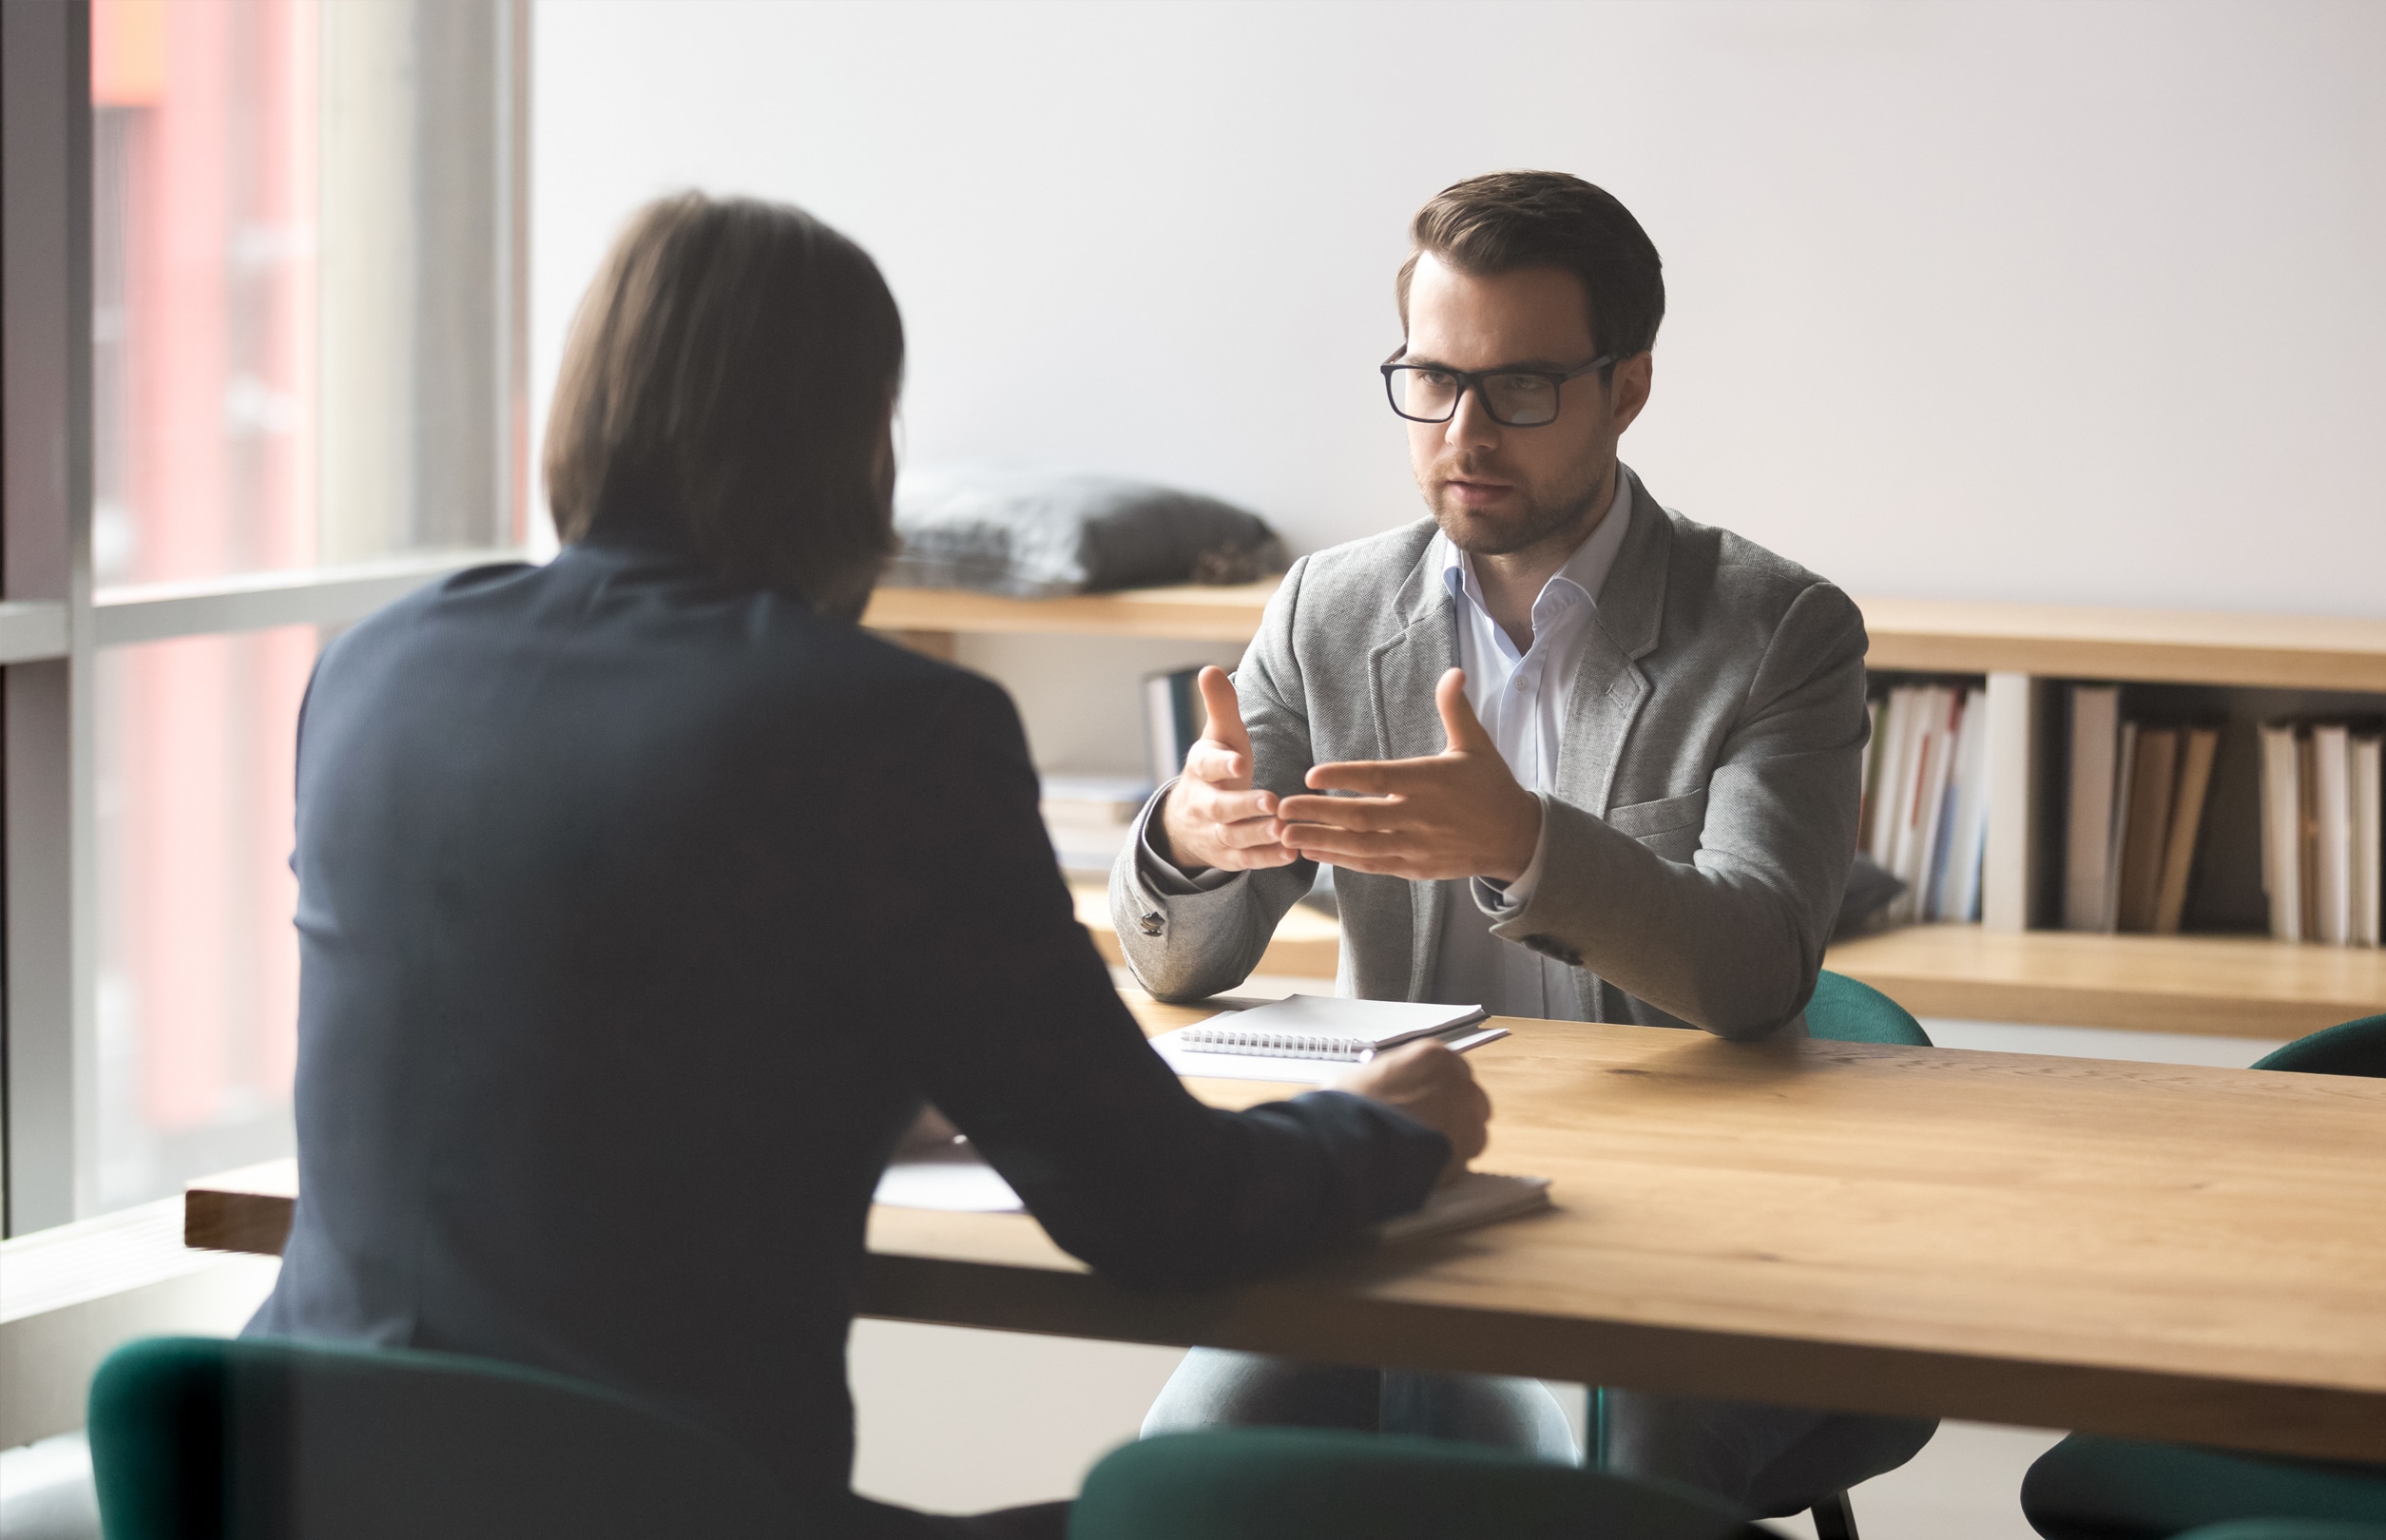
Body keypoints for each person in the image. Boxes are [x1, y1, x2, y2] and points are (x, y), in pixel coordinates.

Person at [245, 193, 1490, 1540]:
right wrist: (1390, 1130)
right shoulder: (885, 727)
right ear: (852, 445)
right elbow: (1159, 1212)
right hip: (658, 1505)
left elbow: (543, 1008)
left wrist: (836, 1080)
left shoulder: (375, 665)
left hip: (293, 1476)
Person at [1110, 170, 1934, 1518]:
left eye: (1524, 388)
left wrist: (1527, 843)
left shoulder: (1778, 631)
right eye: (1431, 381)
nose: (1466, 432)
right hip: (1416, 1198)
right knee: (1182, 1478)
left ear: (1628, 388)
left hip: (1704, 1227)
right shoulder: (1330, 607)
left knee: (1602, 1483)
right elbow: (1183, 970)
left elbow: (1756, 968)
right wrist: (1194, 844)